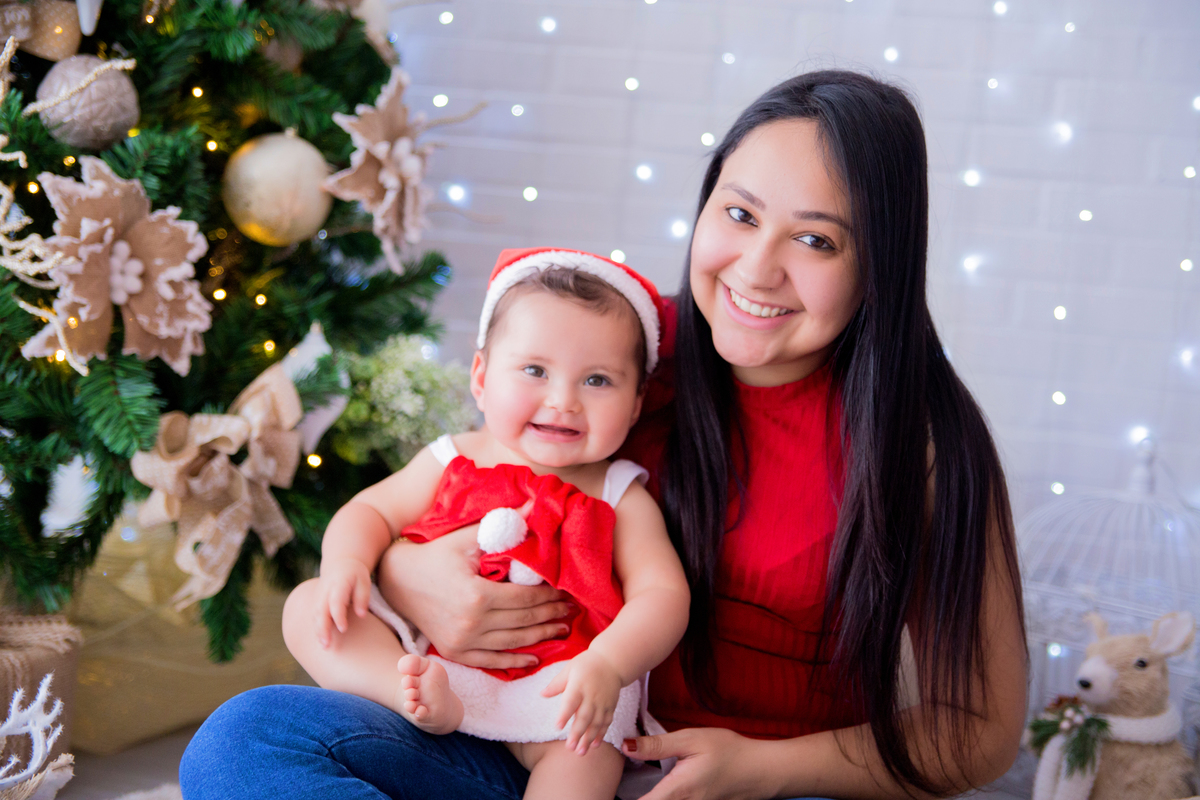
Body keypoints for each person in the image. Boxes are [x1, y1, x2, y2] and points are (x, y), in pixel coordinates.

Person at [181, 70, 1027, 800]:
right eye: (738, 214)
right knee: (247, 739)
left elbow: (982, 732)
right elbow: (463, 487)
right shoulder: (619, 359)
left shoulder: (921, 443)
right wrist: (407, 576)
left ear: (878, 262)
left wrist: (759, 768)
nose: (757, 268)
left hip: (771, 783)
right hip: (542, 747)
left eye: (815, 239)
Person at [278, 248, 691, 800]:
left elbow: (663, 594)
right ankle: (408, 699)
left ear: (637, 403)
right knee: (308, 607)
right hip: (426, 659)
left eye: (597, 380)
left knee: (589, 755)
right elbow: (369, 510)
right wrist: (346, 564)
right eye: (534, 370)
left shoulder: (619, 493)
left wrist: (609, 665)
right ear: (480, 375)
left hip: (552, 684)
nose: (563, 400)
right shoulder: (453, 456)